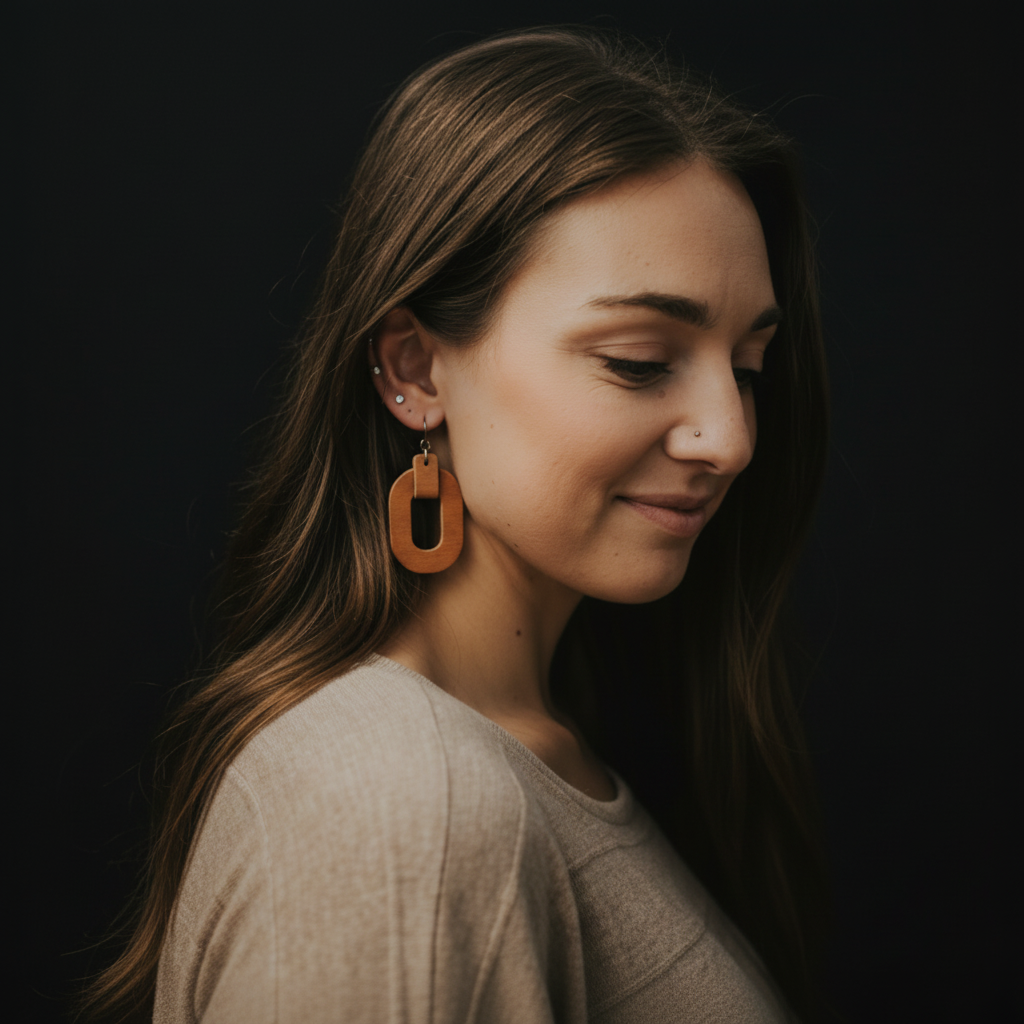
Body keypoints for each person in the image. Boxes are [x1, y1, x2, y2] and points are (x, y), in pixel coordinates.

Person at [83, 26, 830, 1024]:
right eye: (640, 360)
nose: (729, 438)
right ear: (415, 370)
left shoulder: (538, 758)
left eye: (747, 367)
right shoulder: (397, 810)